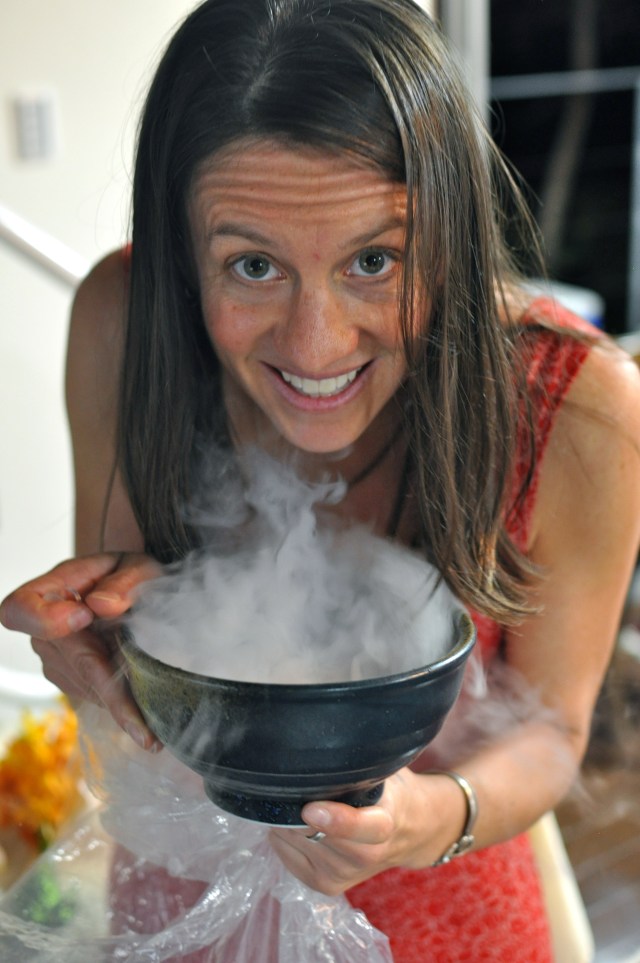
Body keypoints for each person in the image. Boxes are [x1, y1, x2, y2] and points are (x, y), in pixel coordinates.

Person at [2, 0, 640, 959]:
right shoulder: (125, 324)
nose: (316, 345)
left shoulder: (580, 407)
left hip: (448, 911)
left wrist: (430, 816)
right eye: (252, 265)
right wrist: (96, 650)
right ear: (182, 255)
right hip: (182, 902)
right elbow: (136, 633)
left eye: (374, 259)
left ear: (456, 236)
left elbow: (552, 733)